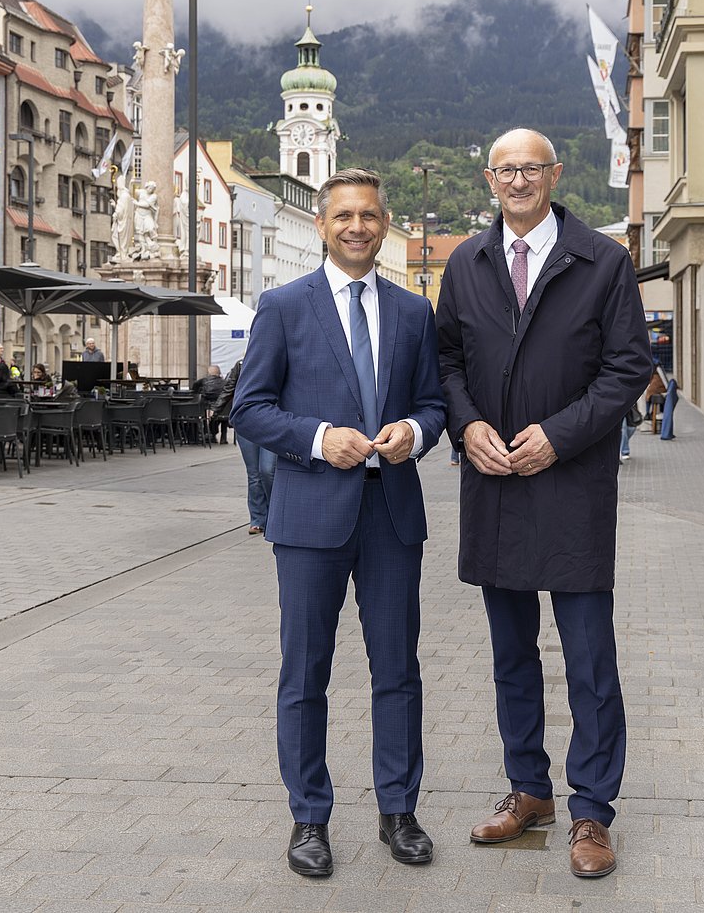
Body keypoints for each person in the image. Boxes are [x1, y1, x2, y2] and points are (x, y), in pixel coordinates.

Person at [436, 129, 651, 879]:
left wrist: (558, 437)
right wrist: (468, 427)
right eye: (506, 169)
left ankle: (591, 808)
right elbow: (448, 360)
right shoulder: (466, 262)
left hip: (571, 483)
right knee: (510, 655)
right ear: (489, 178)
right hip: (494, 481)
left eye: (532, 168)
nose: (519, 179)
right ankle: (529, 789)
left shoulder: (604, 261)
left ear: (555, 175)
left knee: (591, 658)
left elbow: (630, 366)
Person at [231, 169, 446, 878]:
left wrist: (415, 431)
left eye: (370, 215)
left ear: (385, 225)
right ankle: (309, 818)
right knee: (305, 673)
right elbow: (251, 407)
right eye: (345, 215)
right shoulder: (284, 305)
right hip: (311, 511)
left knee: (398, 670)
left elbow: (433, 404)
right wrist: (320, 437)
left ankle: (399, 810)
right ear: (324, 226)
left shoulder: (414, 313)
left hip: (390, 513)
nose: (358, 226)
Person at [218, 358, 275, 529]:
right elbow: (229, 387)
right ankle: (258, 519)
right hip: (247, 422)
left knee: (268, 470)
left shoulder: (276, 358)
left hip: (271, 422)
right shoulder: (241, 364)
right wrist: (215, 408)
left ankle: (276, 513)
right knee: (254, 474)